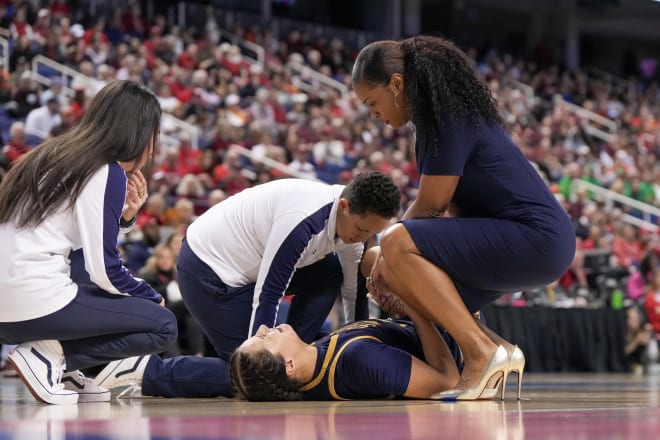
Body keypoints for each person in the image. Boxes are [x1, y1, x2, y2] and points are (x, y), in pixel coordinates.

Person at [350, 35, 575, 400]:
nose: (373, 114)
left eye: (372, 102)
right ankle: (498, 348)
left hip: (536, 238)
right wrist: (391, 271)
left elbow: (430, 209)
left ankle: (478, 353)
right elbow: (445, 219)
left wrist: (389, 255)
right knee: (386, 258)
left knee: (392, 244)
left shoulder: (446, 117)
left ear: (396, 84)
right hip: (519, 238)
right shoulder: (434, 122)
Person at [94, 171, 401, 398]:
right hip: (207, 272)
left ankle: (297, 354)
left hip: (245, 272)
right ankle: (144, 372)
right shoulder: (303, 218)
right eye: (361, 230)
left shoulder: (353, 227)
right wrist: (268, 365)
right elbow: (268, 295)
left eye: (370, 234)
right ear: (345, 206)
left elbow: (351, 290)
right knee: (253, 377)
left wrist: (358, 341)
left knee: (331, 271)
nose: (361, 239)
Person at [0, 80, 178, 405]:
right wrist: (151, 296)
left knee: (84, 267)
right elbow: (105, 272)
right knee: (163, 324)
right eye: (153, 133)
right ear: (138, 132)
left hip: (7, 308)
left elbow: (77, 247)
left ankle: (60, 367)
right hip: (33, 301)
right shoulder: (105, 171)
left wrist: (124, 219)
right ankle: (52, 356)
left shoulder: (53, 155)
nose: (153, 147)